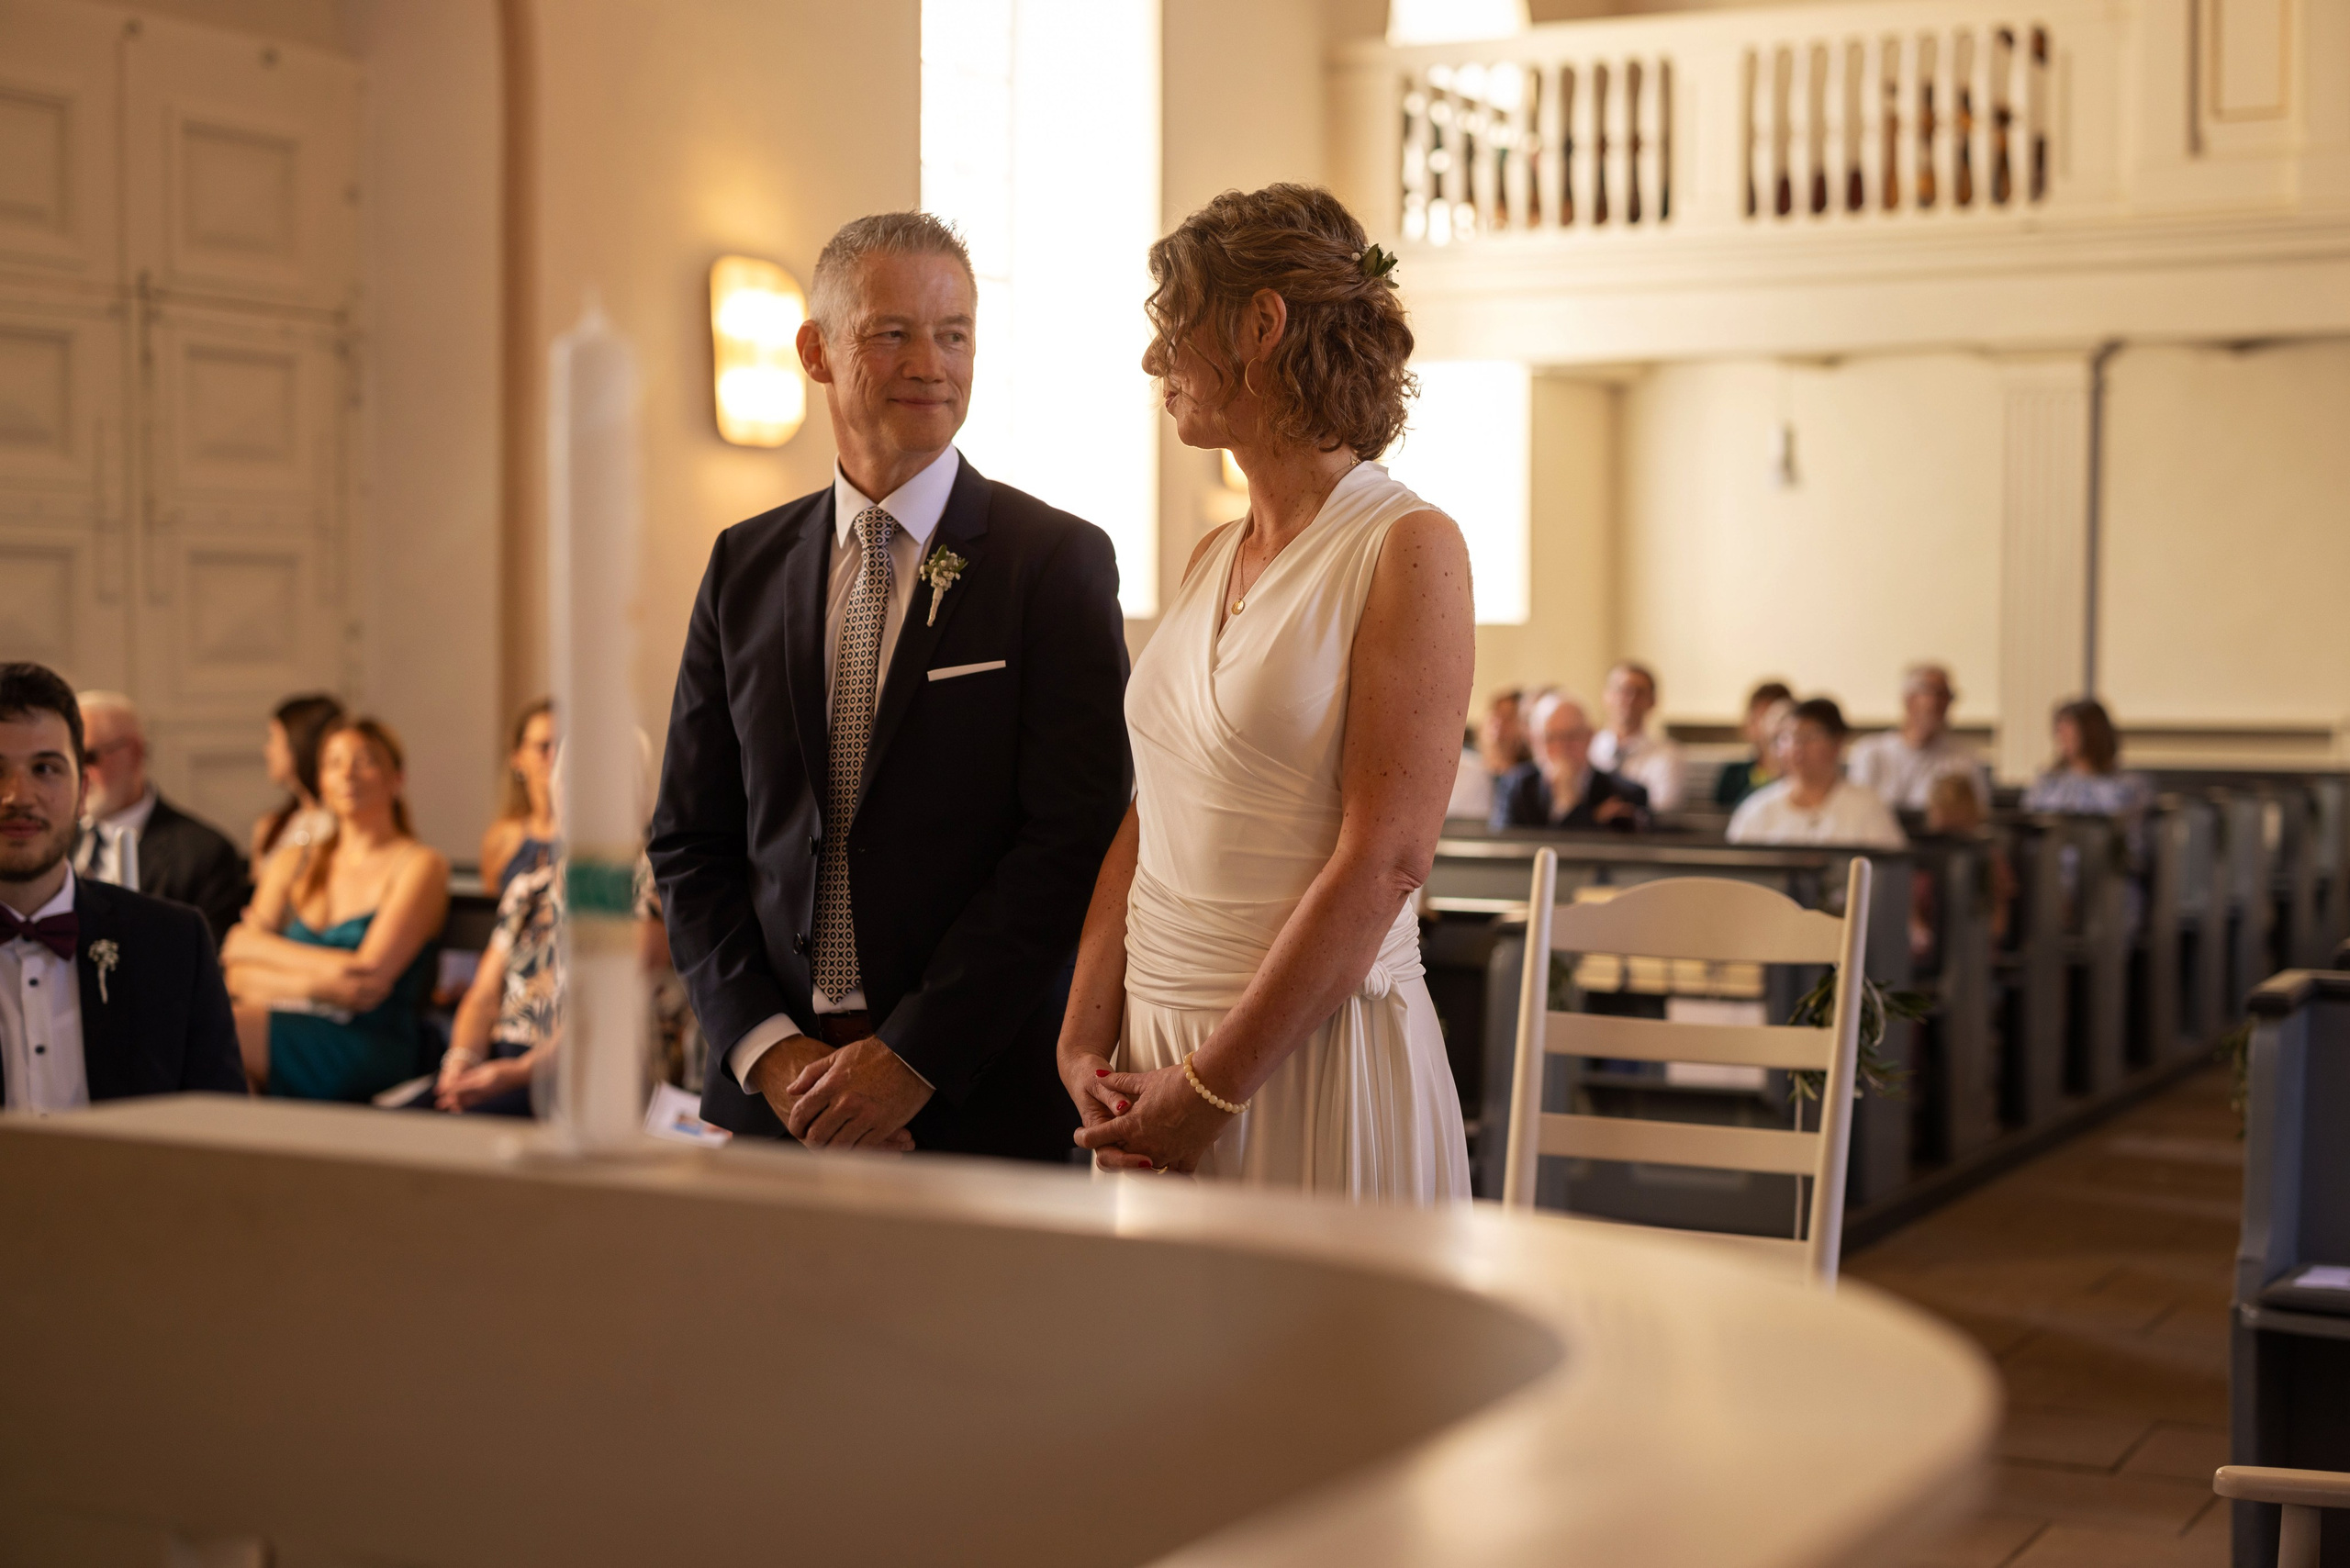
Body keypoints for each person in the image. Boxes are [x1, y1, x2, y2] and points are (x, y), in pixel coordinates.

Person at [649, 211, 1131, 1162]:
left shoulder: (1054, 561)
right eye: (893, 332)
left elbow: (1069, 837)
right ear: (815, 350)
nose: (931, 363)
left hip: (973, 1093)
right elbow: (690, 839)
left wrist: (910, 1057)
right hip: (776, 1102)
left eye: (954, 334)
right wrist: (768, 1050)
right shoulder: (744, 564)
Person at [1063, 184, 1473, 1199]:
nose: (1154, 361)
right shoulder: (1212, 554)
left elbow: (1385, 859)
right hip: (1149, 1054)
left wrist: (1212, 1091)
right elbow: (1150, 808)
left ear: (1259, 325)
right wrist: (1082, 1031)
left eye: (1172, 326)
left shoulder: (1407, 547)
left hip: (1304, 1057)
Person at [0, 664, 246, 1112]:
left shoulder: (173, 944)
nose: (19, 795)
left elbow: (222, 1135)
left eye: (45, 768)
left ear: (81, 793)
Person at [222, 718, 449, 1101]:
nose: (347, 774)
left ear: (397, 778)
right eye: (333, 763)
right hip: (285, 1026)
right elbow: (234, 965)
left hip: (370, 1039)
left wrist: (262, 951)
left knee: (216, 1030)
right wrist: (319, 985)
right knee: (223, 1050)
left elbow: (368, 979)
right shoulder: (292, 861)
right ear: (321, 782)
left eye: (365, 760)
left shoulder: (419, 864)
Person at [73, 690, 250, 945]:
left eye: (89, 757)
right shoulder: (51, 840)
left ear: (134, 752)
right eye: (68, 760)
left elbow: (207, 962)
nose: (80, 775)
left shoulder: (204, 853)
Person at [431, 849, 560, 1116]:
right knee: (402, 1123)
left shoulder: (641, 878)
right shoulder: (532, 880)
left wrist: (520, 1073)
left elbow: (611, 1014)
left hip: (563, 1073)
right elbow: (483, 995)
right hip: (498, 1060)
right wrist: (460, 1062)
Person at [1728, 697, 1906, 849]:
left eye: (1809, 736)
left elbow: (1890, 872)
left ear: (1836, 743)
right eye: (1788, 737)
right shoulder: (1757, 809)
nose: (1797, 746)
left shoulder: (1868, 807)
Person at [1490, 692, 1651, 833]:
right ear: (1533, 741)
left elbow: (1615, 858)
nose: (1561, 748)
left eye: (1571, 737)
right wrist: (1593, 822)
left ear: (1589, 737)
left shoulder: (1624, 794)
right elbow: (1505, 853)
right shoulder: (1515, 785)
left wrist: (1570, 805)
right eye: (1550, 738)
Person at [1848, 662, 1990, 812]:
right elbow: (1856, 813)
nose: (1940, 703)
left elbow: (1978, 814)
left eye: (1946, 696)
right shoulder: (1870, 752)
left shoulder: (1964, 758)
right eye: (1934, 693)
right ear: (1909, 699)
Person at [2022, 698, 2153, 822]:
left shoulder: (2127, 787)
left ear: (2092, 734)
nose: (2062, 739)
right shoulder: (2049, 784)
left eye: (2070, 734)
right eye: (2060, 733)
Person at [252, 693, 345, 864]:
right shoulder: (271, 827)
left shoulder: (343, 823)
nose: (267, 750)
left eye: (273, 739)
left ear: (298, 743)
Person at [478, 699, 557, 894]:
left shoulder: (593, 836)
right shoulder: (501, 839)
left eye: (562, 745)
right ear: (518, 758)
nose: (555, 756)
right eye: (544, 746)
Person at [1590, 660, 1686, 812]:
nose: (1629, 699)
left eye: (1639, 692)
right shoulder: (1586, 748)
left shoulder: (1669, 755)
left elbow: (1662, 808)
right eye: (1621, 690)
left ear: (1653, 701)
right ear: (1605, 695)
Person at [1445, 688, 1528, 821]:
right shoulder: (1463, 768)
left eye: (1509, 718)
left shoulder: (1528, 783)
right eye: (1495, 715)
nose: (1499, 724)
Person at [1712, 680, 1794, 809]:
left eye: (1773, 716)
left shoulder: (1801, 777)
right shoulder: (1733, 775)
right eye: (1757, 716)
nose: (1765, 726)